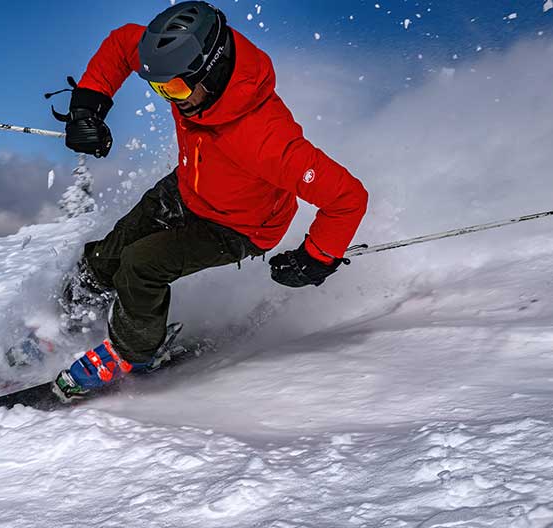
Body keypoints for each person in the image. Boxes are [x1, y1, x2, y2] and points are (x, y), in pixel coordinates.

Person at [53, 1, 368, 397]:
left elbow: (347, 196)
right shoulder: (183, 73)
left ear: (213, 70)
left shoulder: (265, 137)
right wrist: (87, 108)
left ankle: (134, 353)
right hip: (187, 188)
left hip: (239, 226)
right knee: (104, 258)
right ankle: (67, 318)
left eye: (177, 88)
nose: (170, 97)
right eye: (160, 88)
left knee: (141, 265)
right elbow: (121, 44)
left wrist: (316, 257)